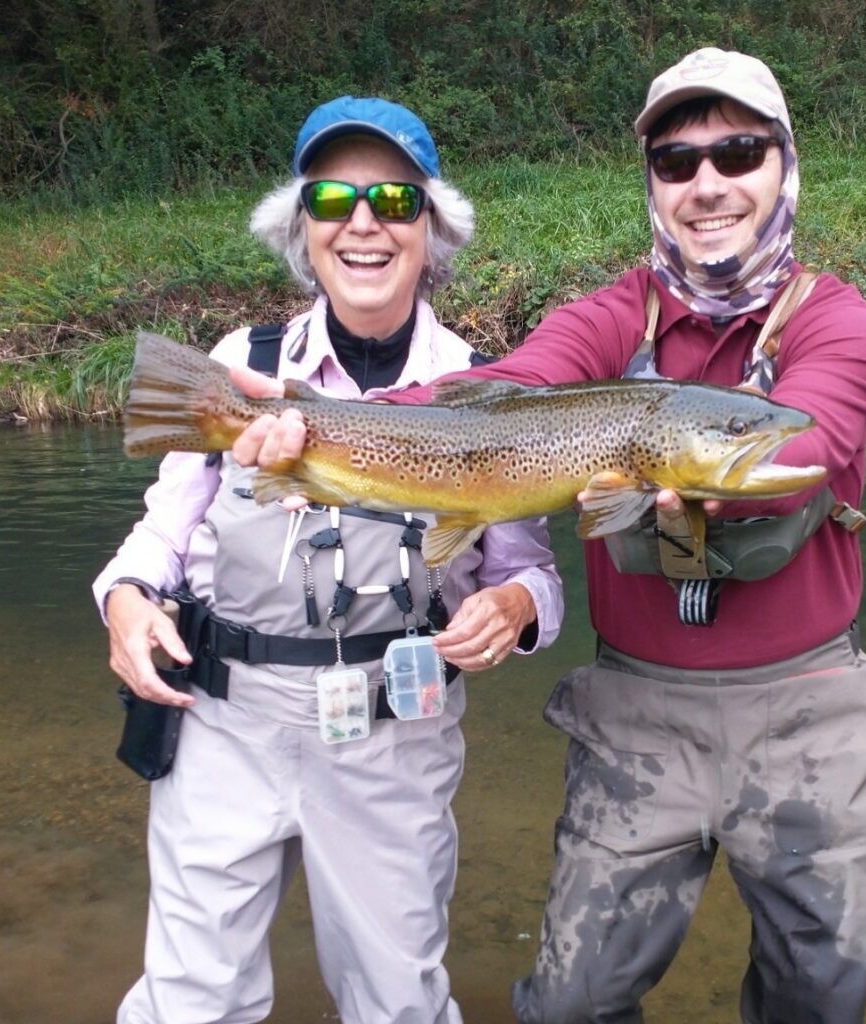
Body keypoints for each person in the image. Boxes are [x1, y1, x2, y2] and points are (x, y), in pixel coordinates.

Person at [232, 50, 866, 1024]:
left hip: (809, 702)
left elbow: (806, 451)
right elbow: (498, 389)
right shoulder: (608, 317)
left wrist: (676, 466)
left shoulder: (838, 323)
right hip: (635, 706)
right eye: (677, 162)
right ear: (652, 184)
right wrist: (319, 420)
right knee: (569, 1004)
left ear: (783, 167)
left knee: (817, 999)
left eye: (739, 152)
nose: (708, 182)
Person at [93, 95, 563, 1024]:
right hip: (222, 722)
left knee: (398, 1004)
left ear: (432, 227)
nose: (363, 224)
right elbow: (161, 533)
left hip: (394, 735)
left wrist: (512, 606)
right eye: (332, 200)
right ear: (299, 226)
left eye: (393, 199)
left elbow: (531, 567)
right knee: (189, 1003)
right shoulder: (242, 364)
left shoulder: (487, 389)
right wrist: (128, 601)